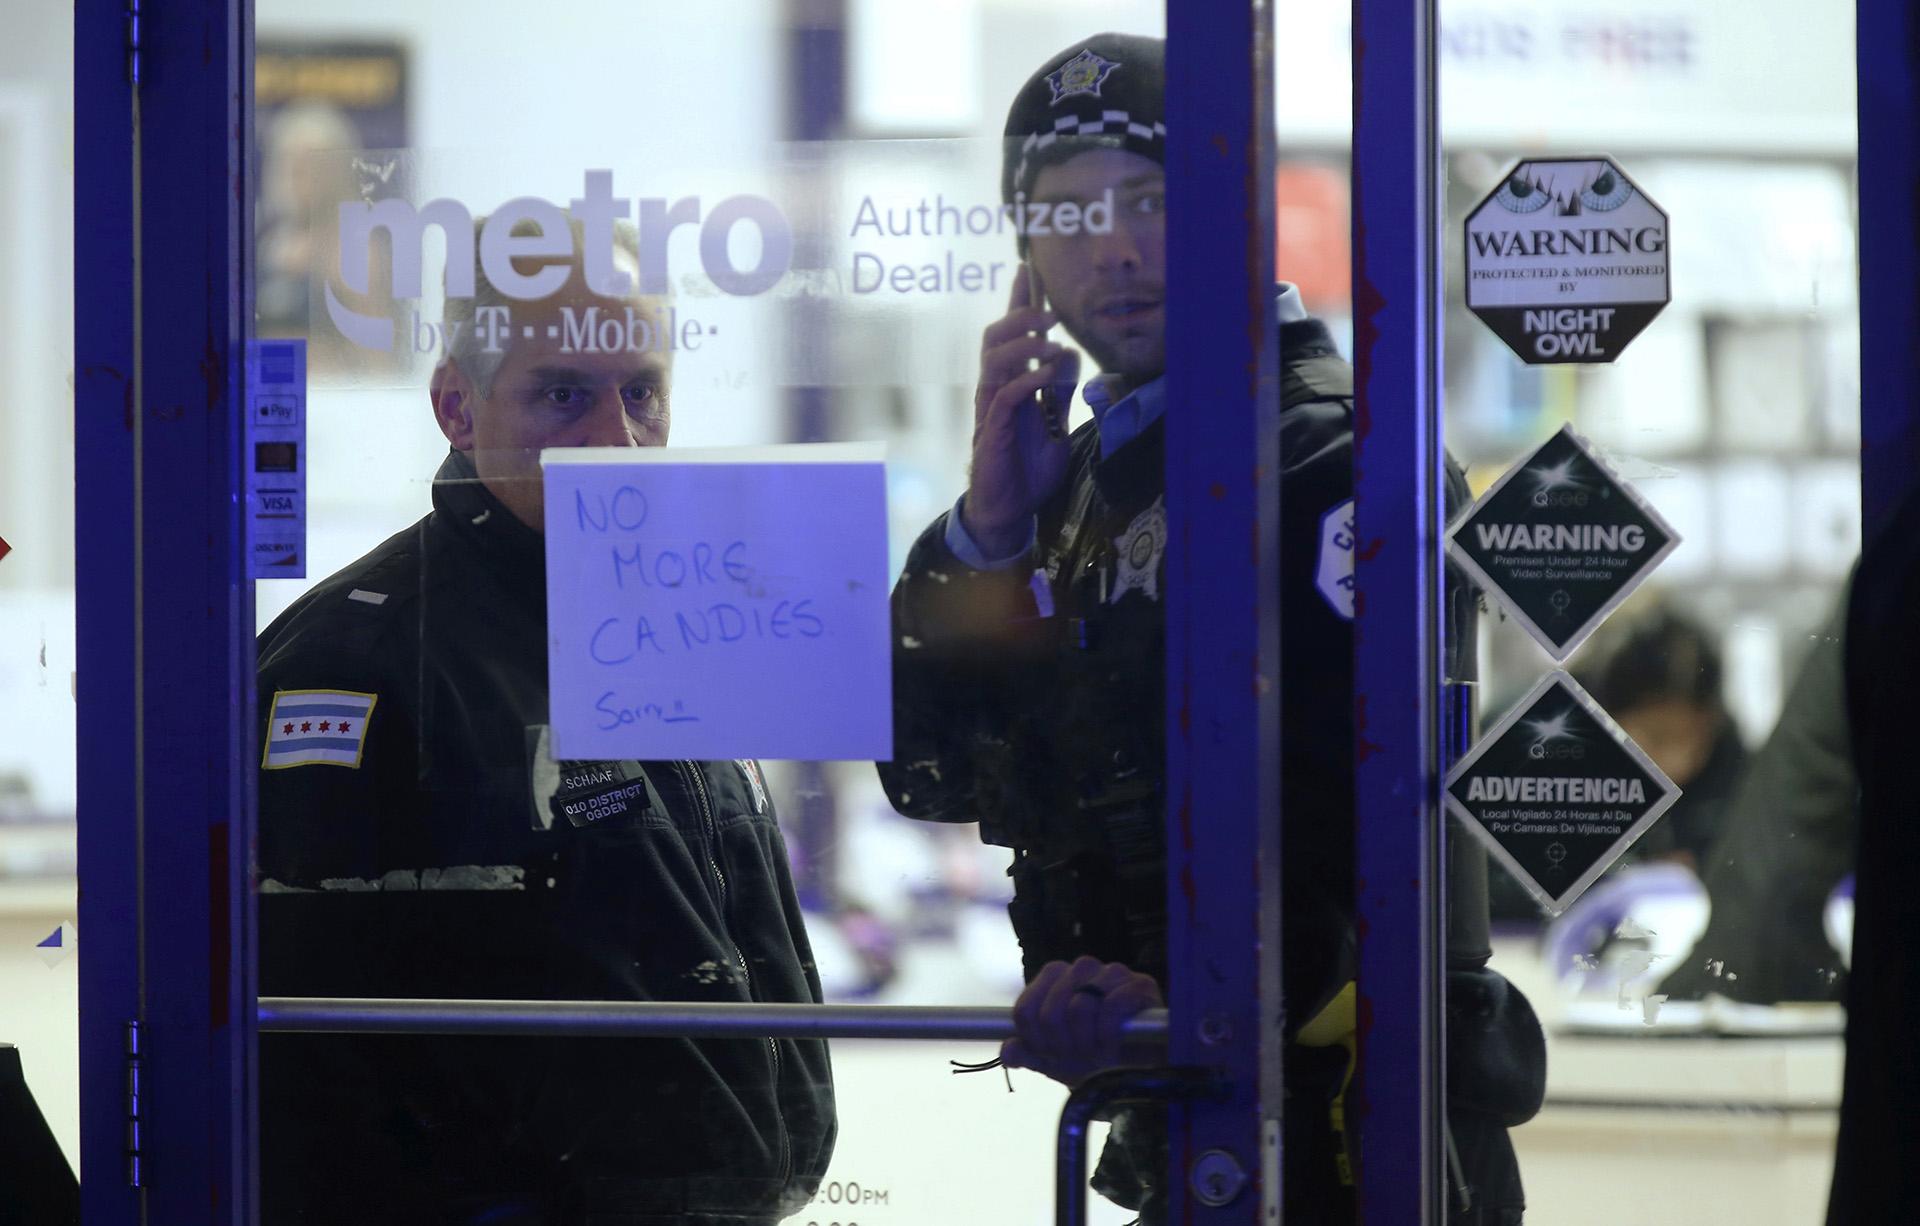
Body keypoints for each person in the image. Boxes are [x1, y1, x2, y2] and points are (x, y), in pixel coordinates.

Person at [879, 33, 1540, 1224]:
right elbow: (928, 773)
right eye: (1067, 216)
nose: (1116, 249)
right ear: (1025, 256)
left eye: (1150, 201)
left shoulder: (1339, 456)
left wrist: (1181, 1002)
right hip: (1189, 1120)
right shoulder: (1083, 472)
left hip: (1354, 1133)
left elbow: (1366, 832)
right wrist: (989, 529)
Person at [255, 219, 835, 1225]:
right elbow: (313, 1070)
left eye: (642, 392)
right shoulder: (357, 663)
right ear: (455, 405)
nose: (616, 437)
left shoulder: (672, 622)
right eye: (565, 393)